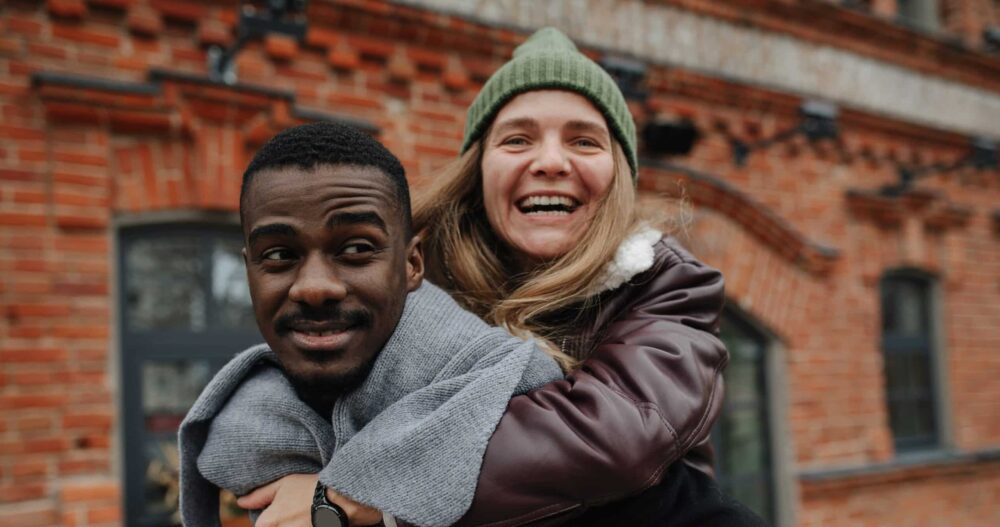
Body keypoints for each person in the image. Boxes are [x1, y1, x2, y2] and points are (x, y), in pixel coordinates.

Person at [249, 27, 768, 527]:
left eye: (584, 142)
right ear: (478, 170)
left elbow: (613, 434)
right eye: (517, 139)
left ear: (619, 178)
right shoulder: (409, 279)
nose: (549, 161)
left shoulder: (669, 283)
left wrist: (350, 495)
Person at [177, 122, 564, 527]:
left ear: (412, 264)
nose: (314, 288)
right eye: (277, 255)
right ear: (249, 272)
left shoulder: (522, 397)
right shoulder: (242, 436)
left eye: (357, 248)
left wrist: (339, 504)